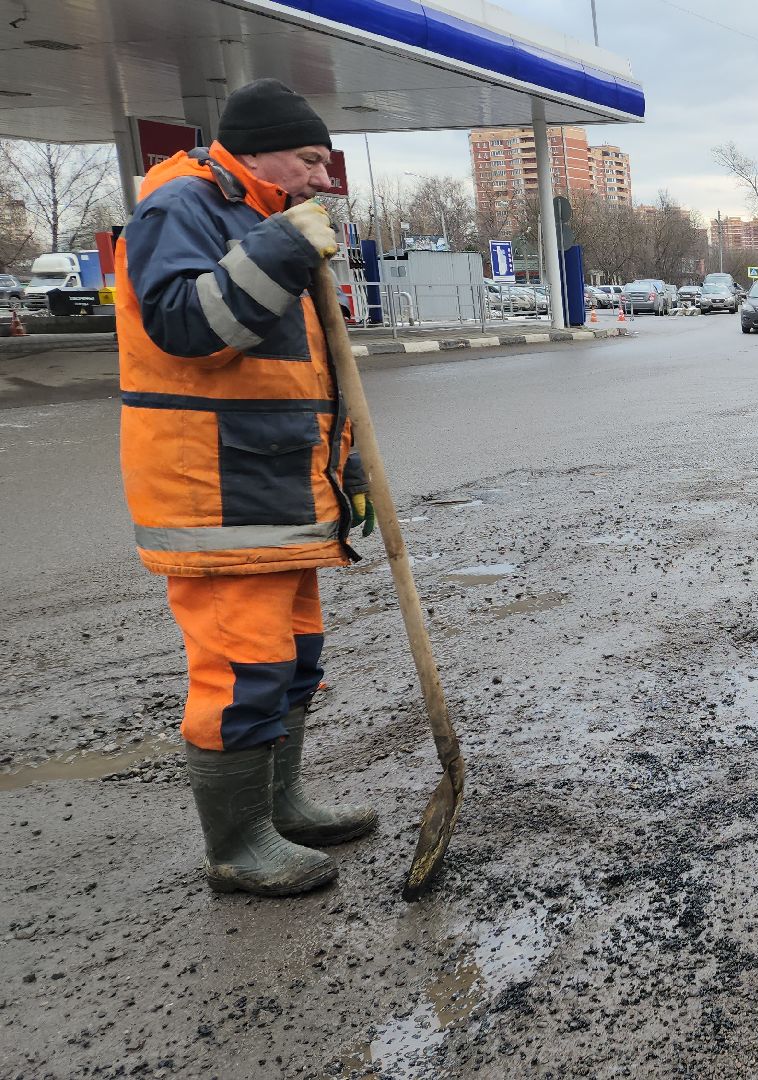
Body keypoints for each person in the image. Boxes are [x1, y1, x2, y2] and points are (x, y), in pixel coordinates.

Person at [117, 78, 377, 896]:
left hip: (283, 485)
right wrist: (285, 247)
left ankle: (280, 805)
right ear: (259, 148)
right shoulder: (182, 206)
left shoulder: (263, 216)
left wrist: (349, 473)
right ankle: (237, 845)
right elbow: (188, 329)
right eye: (308, 161)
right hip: (217, 492)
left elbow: (301, 373)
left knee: (294, 659)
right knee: (242, 668)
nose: (320, 180)